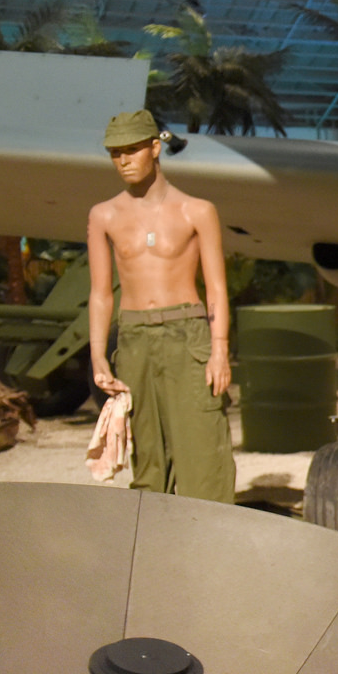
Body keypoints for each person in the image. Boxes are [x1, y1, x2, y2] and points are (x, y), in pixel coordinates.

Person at [88, 109, 236, 502]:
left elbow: (217, 288)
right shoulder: (103, 215)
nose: (123, 160)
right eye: (115, 153)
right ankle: (155, 549)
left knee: (202, 449)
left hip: (187, 334)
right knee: (148, 456)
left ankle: (212, 543)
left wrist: (219, 350)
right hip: (134, 338)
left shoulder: (197, 210)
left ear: (155, 148)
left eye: (132, 150)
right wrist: (98, 355)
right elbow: (101, 292)